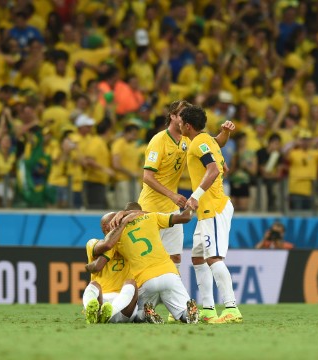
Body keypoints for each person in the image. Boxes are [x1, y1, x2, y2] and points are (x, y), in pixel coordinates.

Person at [137, 100, 234, 272]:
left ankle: (173, 298)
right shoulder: (158, 140)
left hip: (172, 207)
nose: (185, 118)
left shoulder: (187, 139)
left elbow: (215, 143)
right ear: (173, 116)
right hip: (150, 207)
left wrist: (224, 133)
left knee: (175, 256)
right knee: (147, 257)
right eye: (181, 114)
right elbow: (147, 177)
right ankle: (143, 298)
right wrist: (173, 195)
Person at [179, 104, 243, 324]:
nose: (178, 124)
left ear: (187, 126)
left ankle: (231, 308)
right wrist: (225, 133)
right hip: (209, 208)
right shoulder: (207, 140)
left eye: (180, 121)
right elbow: (218, 149)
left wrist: (195, 195)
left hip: (213, 207)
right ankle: (207, 308)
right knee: (198, 256)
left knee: (214, 258)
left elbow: (214, 169)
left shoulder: (199, 142)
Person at [94, 208, 200, 324]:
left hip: (145, 280)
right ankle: (188, 312)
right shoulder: (152, 217)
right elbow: (185, 217)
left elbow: (105, 249)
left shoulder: (116, 238)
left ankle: (146, 313)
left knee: (139, 317)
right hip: (169, 273)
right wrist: (191, 207)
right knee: (182, 313)